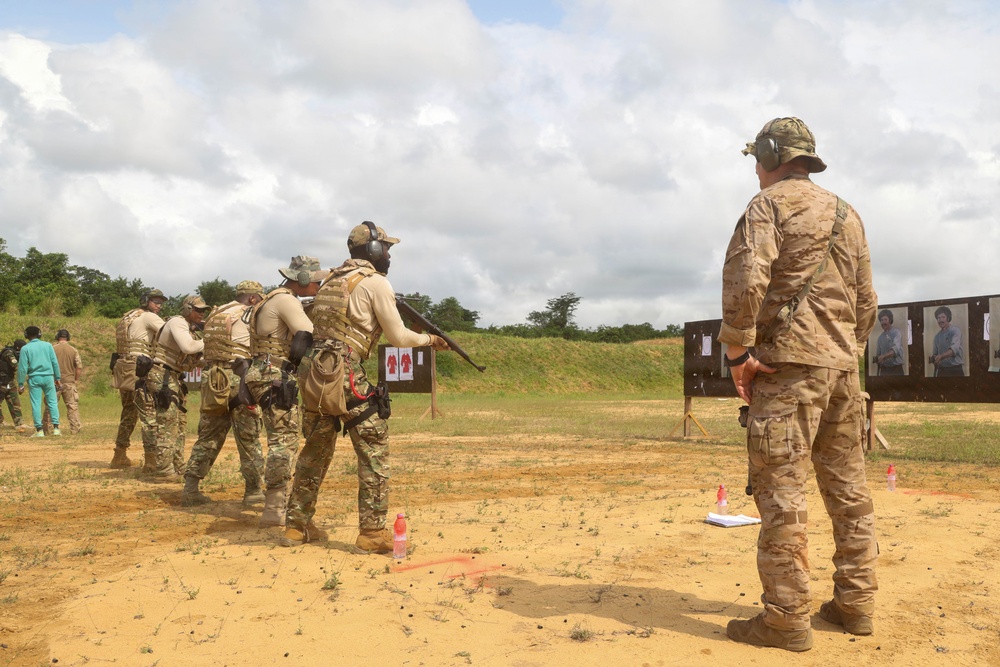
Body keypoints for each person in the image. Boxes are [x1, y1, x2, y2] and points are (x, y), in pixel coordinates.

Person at [719, 117, 879, 651]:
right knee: (848, 491)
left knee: (782, 493)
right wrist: (843, 355)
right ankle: (856, 605)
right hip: (842, 373)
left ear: (767, 155)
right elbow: (866, 303)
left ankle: (786, 620)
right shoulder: (847, 214)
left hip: (786, 371)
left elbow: (747, 277)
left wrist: (738, 350)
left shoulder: (767, 207)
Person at [280, 223, 450, 552]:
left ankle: (296, 526)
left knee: (314, 452)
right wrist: (431, 340)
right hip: (344, 374)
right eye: (385, 248)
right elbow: (399, 337)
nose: (388, 254)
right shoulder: (376, 283)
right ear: (372, 250)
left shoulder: (330, 278)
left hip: (313, 373)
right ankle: (371, 532)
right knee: (373, 448)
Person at [244, 256, 328, 527]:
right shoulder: (287, 300)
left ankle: (277, 501)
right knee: (284, 441)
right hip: (275, 375)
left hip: (264, 372)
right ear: (302, 279)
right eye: (316, 279)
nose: (319, 283)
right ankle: (274, 507)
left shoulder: (273, 297)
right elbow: (309, 335)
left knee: (281, 438)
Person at [181, 281, 266, 507]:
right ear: (252, 298)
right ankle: (254, 490)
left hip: (213, 378)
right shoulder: (250, 314)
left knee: (208, 435)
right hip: (240, 377)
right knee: (248, 436)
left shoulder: (217, 313)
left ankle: (190, 487)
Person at [143, 295, 209, 478]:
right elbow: (188, 347)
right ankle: (164, 469)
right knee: (168, 423)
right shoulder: (178, 323)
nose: (201, 313)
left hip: (173, 377)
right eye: (198, 310)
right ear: (187, 309)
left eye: (204, 310)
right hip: (163, 376)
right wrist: (210, 339)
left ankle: (178, 465)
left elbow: (195, 358)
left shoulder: (187, 328)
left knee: (179, 425)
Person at [109, 289, 167, 469]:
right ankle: (151, 460)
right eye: (156, 302)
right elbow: (168, 333)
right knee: (148, 412)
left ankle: (120, 454)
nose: (159, 306)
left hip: (124, 367)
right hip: (139, 369)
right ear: (146, 301)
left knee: (128, 412)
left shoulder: (129, 316)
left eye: (160, 302)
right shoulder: (149, 317)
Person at [16, 326, 62, 437]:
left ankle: (39, 430)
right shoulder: (48, 346)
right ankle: (56, 429)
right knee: (52, 402)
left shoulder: (25, 349)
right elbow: (54, 363)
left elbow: (22, 368)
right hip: (48, 377)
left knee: (36, 403)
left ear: (26, 336)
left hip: (34, 378)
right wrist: (58, 378)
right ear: (39, 334)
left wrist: (21, 383)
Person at [43, 330, 84, 434]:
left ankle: (47, 428)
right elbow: (78, 367)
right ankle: (75, 428)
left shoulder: (52, 349)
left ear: (57, 337)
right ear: (68, 338)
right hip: (69, 382)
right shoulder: (73, 350)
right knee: (72, 406)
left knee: (50, 405)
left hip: (54, 382)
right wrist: (75, 379)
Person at [0, 340, 27, 431]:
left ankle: (19, 423)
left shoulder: (14, 353)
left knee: (14, 402)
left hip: (9, 382)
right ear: (18, 348)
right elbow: (15, 365)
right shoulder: (8, 353)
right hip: (2, 382)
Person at [930, 306, 964, 377]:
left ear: (948, 318)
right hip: (942, 371)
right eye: (938, 318)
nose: (940, 320)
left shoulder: (955, 331)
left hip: (956, 370)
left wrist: (941, 357)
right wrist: (934, 358)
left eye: (943, 317)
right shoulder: (937, 337)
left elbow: (954, 350)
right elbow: (935, 354)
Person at [873, 310, 904, 376]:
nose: (883, 322)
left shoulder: (897, 332)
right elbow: (878, 354)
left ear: (890, 320)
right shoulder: (880, 338)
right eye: (881, 320)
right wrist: (878, 358)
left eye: (885, 319)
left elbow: (895, 350)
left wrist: (883, 357)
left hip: (896, 370)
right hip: (884, 370)